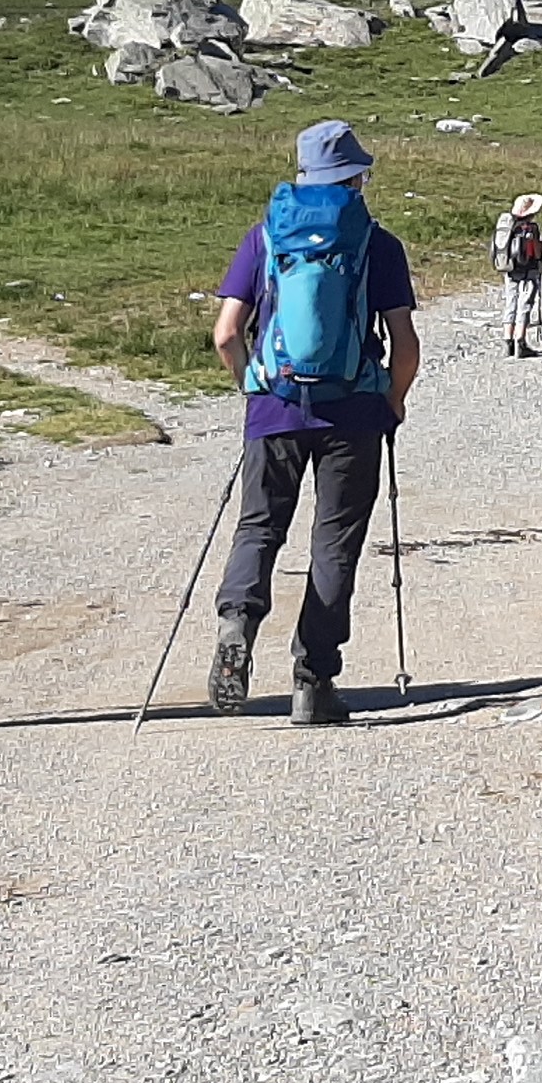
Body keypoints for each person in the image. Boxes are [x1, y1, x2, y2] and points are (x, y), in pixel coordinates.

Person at [208, 120, 420, 726]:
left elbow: (226, 334)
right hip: (354, 413)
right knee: (335, 543)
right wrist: (393, 400)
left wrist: (253, 384)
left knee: (259, 527)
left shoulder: (264, 237)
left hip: (274, 408)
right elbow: (405, 346)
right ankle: (313, 681)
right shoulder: (377, 243)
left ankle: (237, 623)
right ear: (355, 179)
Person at [493, 192, 542, 359]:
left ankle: (507, 341)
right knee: (525, 303)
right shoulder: (531, 228)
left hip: (510, 267)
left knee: (511, 301)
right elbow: (537, 252)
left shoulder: (508, 225)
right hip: (528, 268)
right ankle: (520, 342)